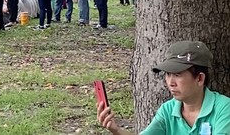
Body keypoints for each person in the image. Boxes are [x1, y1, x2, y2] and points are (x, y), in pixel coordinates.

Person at [97, 41, 230, 135]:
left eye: (177, 74)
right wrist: (116, 130)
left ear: (200, 78)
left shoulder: (224, 109)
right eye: (167, 74)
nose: (170, 82)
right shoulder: (168, 109)